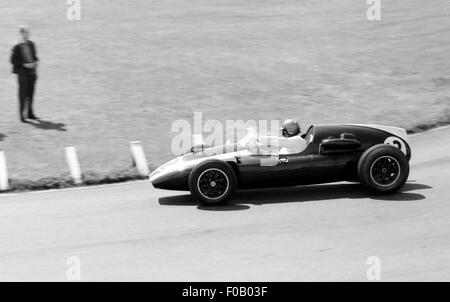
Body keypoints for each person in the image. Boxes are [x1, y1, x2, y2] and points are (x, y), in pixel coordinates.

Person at [10, 25, 39, 122]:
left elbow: (35, 57)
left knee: (31, 94)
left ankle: (30, 114)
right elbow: (13, 60)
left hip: (32, 73)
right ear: (21, 33)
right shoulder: (17, 46)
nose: (28, 34)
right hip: (23, 75)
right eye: (26, 32)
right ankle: (22, 116)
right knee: (23, 95)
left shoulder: (31, 44)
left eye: (28, 32)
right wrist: (24, 65)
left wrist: (35, 62)